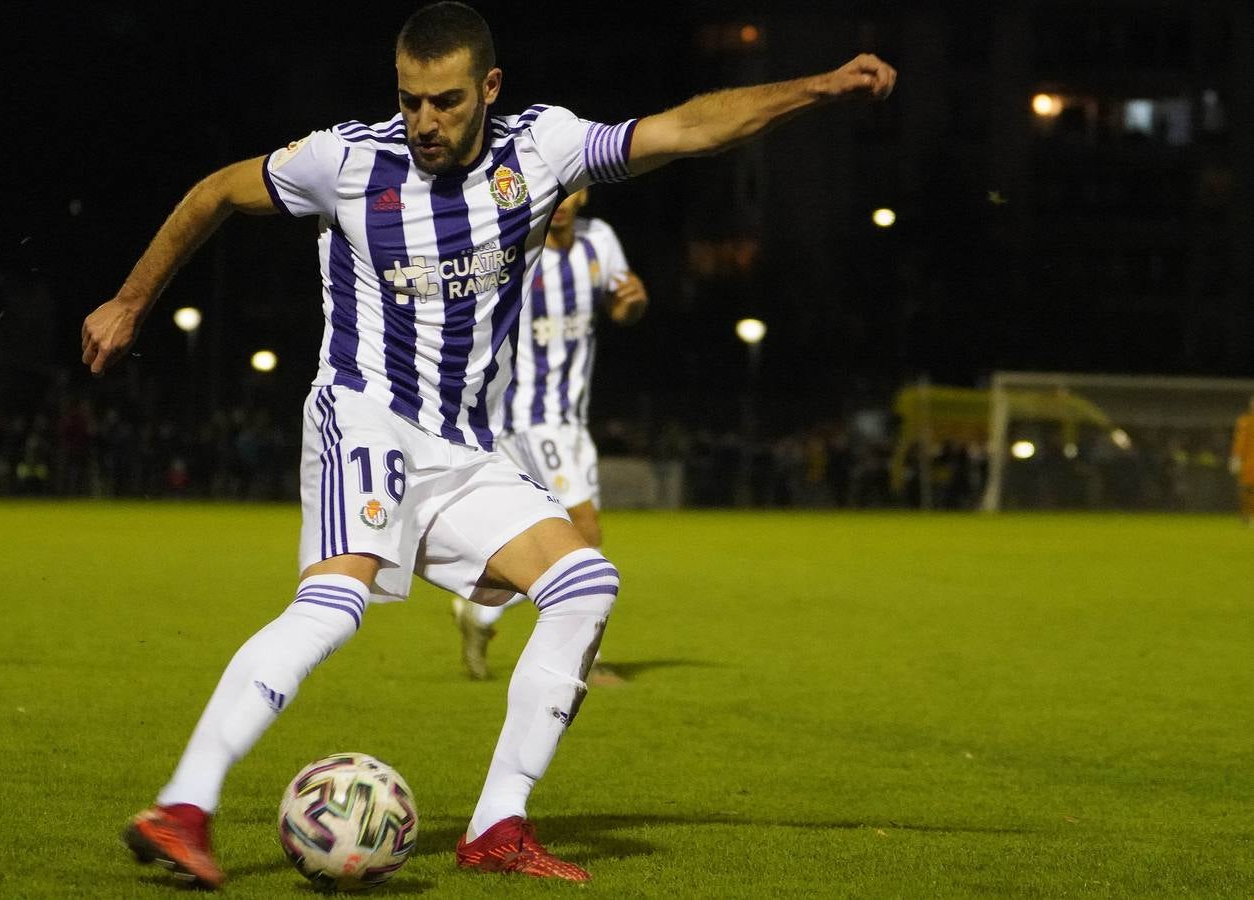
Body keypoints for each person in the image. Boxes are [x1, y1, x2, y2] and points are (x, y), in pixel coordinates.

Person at [81, 1, 895, 887]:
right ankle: (184, 804)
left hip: (468, 448)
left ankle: (497, 826)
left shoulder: (542, 150)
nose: (423, 121)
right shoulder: (347, 161)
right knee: (334, 607)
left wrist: (817, 87)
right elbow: (213, 193)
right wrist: (131, 300)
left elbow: (690, 129)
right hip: (365, 411)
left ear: (490, 88)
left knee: (585, 583)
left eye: (445, 101)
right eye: (410, 99)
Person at [452, 187, 646, 681]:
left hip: (572, 420)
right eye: (554, 187)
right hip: (527, 416)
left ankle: (481, 610)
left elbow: (622, 309)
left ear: (584, 194)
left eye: (573, 187)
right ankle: (583, 659)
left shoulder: (599, 239)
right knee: (585, 532)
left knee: (564, 535)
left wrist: (634, 302)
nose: (562, 198)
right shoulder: (516, 246)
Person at [1230, 395, 1254, 526]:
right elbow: (1239, 442)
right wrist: (1236, 459)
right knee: (1246, 490)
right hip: (1248, 462)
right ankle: (1246, 516)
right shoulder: (1244, 421)